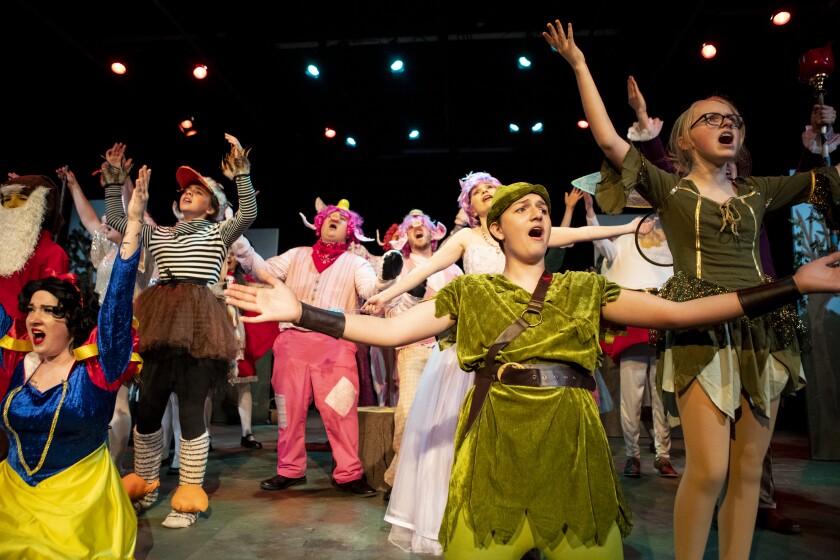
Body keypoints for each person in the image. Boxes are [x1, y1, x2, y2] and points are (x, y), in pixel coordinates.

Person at [224, 181, 840, 559]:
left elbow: (681, 313)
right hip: (493, 454)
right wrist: (302, 309)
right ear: (494, 227)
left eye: (543, 207)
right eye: (523, 207)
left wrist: (793, 284)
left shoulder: (581, 288)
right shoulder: (467, 295)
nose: (538, 212)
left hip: (574, 457)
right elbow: (386, 330)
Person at [545, 19, 840, 559]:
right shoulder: (672, 189)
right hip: (701, 325)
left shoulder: (758, 191)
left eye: (733, 119)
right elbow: (611, 141)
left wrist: (823, 135)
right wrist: (581, 66)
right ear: (685, 137)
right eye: (711, 118)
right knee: (709, 469)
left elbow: (825, 178)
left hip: (765, 327)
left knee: (749, 471)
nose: (726, 124)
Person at [364, 171, 639, 555]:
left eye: (493, 188)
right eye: (479, 192)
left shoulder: (533, 235)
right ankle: (475, 515)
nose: (488, 194)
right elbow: (426, 271)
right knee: (465, 440)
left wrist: (627, 227)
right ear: (476, 210)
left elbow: (576, 235)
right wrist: (388, 294)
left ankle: (538, 515)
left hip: (534, 337)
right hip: (482, 345)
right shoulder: (466, 239)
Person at [0, 165, 150, 559]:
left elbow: (116, 303)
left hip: (76, 509)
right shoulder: (21, 364)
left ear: (72, 323)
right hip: (10, 500)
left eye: (49, 311)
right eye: (31, 309)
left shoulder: (95, 370)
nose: (35, 318)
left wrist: (133, 227)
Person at [108, 136, 257, 529]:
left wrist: (241, 174)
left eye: (198, 191)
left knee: (191, 410)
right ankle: (148, 483)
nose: (189, 194)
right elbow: (123, 224)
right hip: (161, 321)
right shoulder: (162, 234)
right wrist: (112, 183)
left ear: (212, 206)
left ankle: (189, 494)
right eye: (186, 191)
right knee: (148, 410)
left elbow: (247, 216)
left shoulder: (218, 232)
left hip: (198, 325)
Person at [231, 198, 401, 497]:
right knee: (289, 410)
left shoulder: (356, 263)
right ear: (319, 223)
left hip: (335, 345)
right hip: (292, 344)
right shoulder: (296, 255)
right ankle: (289, 469)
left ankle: (348, 473)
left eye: (342, 218)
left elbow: (369, 290)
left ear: (351, 230)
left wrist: (385, 278)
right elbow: (263, 272)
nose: (335, 219)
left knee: (340, 410)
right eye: (330, 216)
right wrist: (240, 243)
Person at [58, 165, 158, 474]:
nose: (104, 222)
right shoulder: (105, 249)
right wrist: (74, 183)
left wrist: (122, 180)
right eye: (104, 220)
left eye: (110, 219)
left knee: (119, 400)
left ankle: (114, 466)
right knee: (99, 397)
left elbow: (133, 206)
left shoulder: (140, 247)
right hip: (98, 329)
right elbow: (89, 218)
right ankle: (96, 460)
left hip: (127, 329)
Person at [583, 192, 677, 478]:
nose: (652, 221)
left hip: (663, 316)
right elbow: (599, 240)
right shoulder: (621, 242)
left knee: (662, 393)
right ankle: (632, 455)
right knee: (632, 395)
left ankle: (663, 455)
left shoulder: (670, 245)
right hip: (633, 319)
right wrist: (589, 210)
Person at [381, 209, 462, 497]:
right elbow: (390, 311)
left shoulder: (453, 269)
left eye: (422, 225)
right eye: (411, 226)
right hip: (414, 347)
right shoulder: (400, 268)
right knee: (407, 411)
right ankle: (399, 478)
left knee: (449, 414)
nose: (417, 228)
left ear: (432, 233)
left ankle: (442, 479)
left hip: (449, 349)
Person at [0, 174, 69, 399]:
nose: (9, 207)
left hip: (21, 351)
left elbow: (53, 314)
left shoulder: (52, 254)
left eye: (17, 199)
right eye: (5, 200)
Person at [223, 248, 278, 449]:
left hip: (238, 337)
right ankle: (206, 435)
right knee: (207, 388)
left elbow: (268, 291)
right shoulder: (208, 279)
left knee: (243, 383)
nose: (229, 257)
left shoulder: (244, 281)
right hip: (212, 336)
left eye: (232, 254)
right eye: (225, 253)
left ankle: (247, 433)